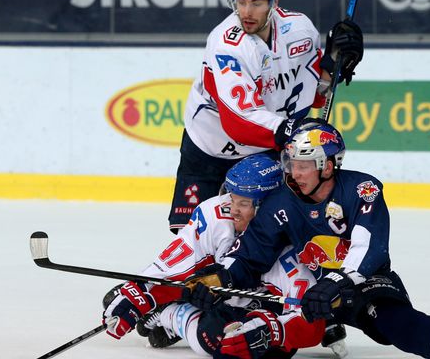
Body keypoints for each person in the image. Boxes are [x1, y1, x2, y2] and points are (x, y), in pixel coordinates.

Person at [184, 122, 430, 359]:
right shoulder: (280, 202)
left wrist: (336, 281)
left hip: (362, 285)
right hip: (311, 295)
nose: (294, 173)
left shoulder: (362, 190)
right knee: (258, 347)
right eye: (291, 164)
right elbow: (251, 256)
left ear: (328, 166)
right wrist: (219, 278)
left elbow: (369, 249)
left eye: (303, 165)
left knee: (397, 324)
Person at [168, 0, 364, 233]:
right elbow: (239, 121)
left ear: (275, 0)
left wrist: (335, 62)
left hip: (265, 147)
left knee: (269, 229)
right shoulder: (227, 44)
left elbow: (314, 94)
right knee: (194, 234)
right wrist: (292, 130)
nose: (246, 12)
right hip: (209, 148)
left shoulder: (300, 31)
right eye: (241, 1)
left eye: (257, 2)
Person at [102, 153, 347, 357]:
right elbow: (171, 268)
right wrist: (139, 295)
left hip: (266, 302)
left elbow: (308, 319)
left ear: (268, 207)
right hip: (218, 290)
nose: (233, 211)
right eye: (232, 199)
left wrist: (272, 329)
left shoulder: (296, 240)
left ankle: (177, 314)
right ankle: (173, 312)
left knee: (239, 344)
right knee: (211, 334)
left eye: (243, 204)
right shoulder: (215, 216)